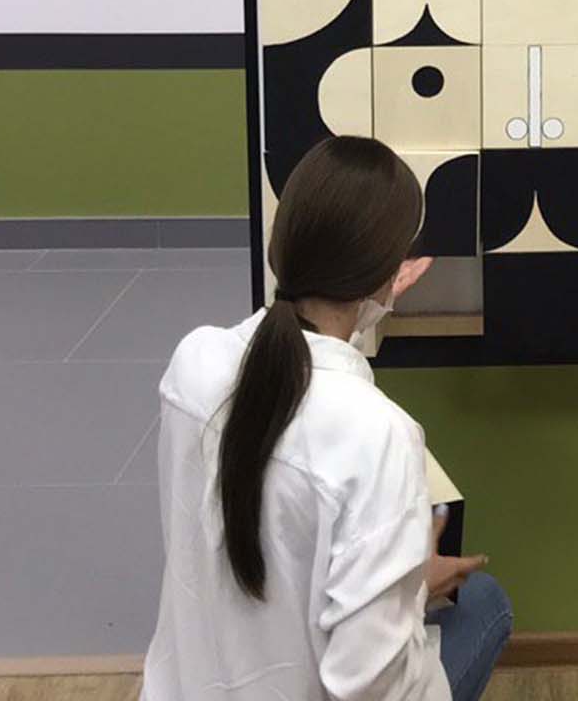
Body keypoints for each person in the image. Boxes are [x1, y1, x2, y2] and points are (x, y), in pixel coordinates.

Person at [141, 136, 511, 700]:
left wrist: (365, 301)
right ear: (386, 276)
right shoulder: (380, 435)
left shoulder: (194, 362)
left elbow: (306, 376)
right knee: (484, 602)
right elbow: (372, 689)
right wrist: (412, 586)